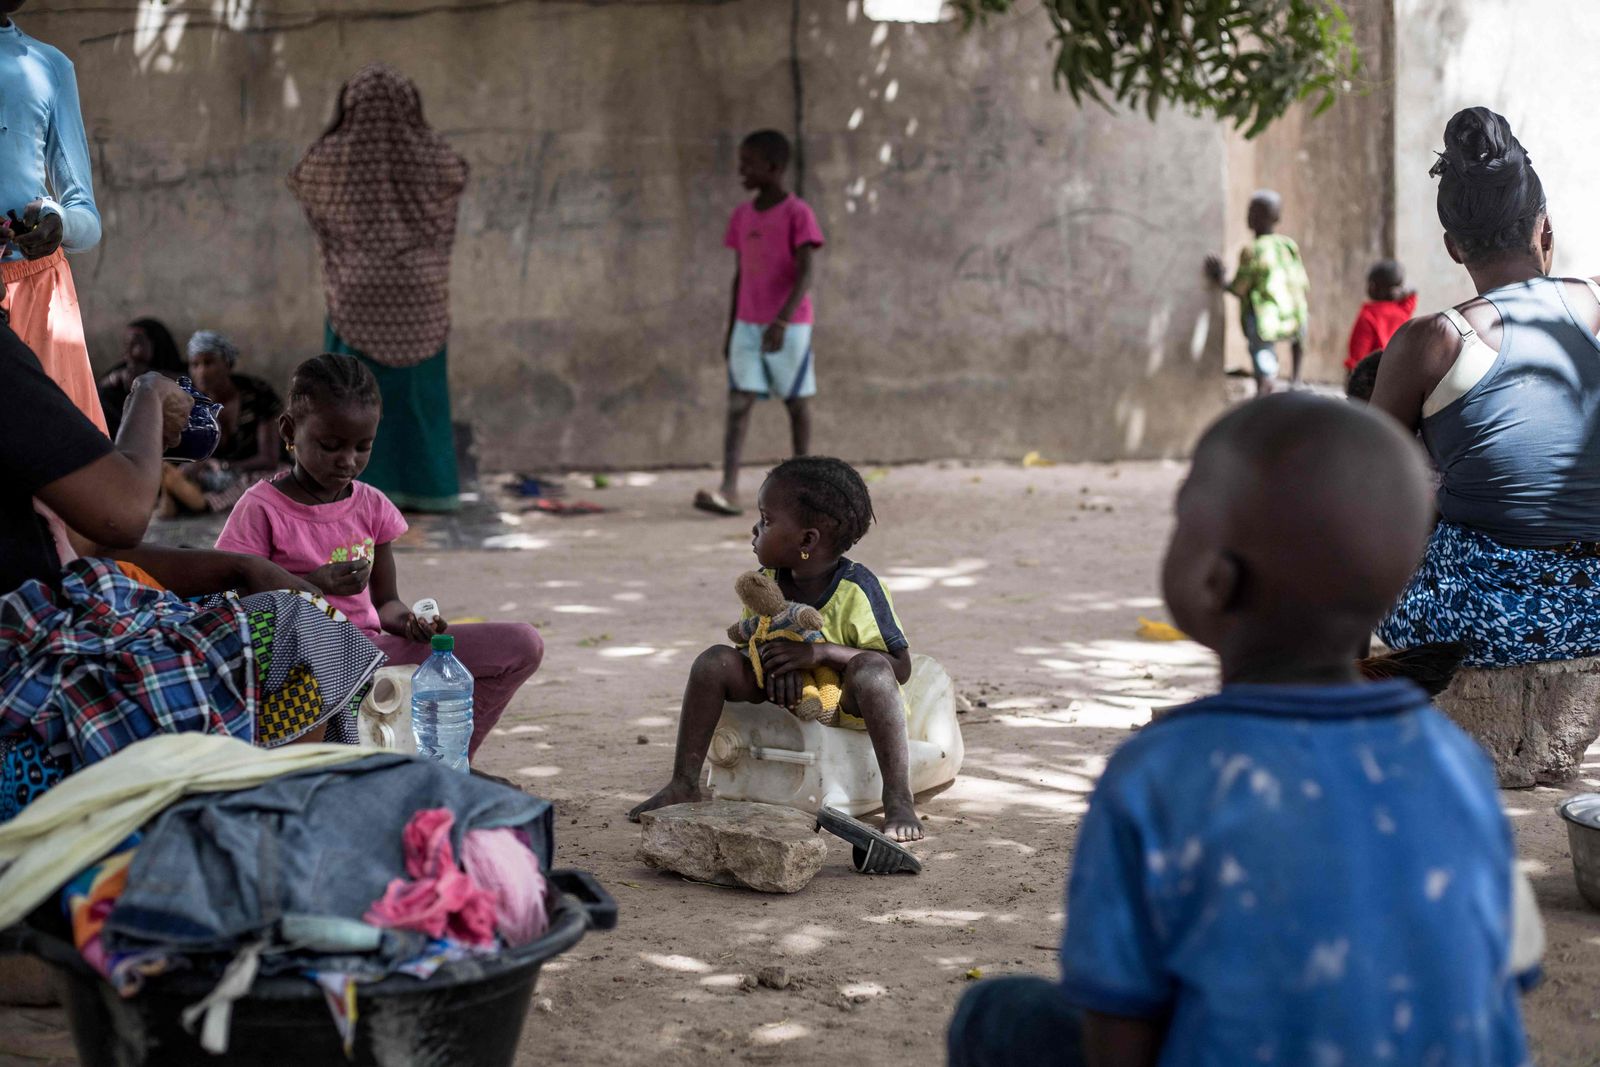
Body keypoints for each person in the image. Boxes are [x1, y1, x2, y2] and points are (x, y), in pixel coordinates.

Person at [947, 394, 1541, 1067]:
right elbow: (1502, 984)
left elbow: (1120, 1036)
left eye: (1180, 517)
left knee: (995, 1015)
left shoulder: (1160, 773)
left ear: (1214, 579)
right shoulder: (1455, 762)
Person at [215, 354, 543, 758]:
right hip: (301, 671)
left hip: (374, 653)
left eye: (362, 446)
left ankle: (450, 763)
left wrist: (411, 623)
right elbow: (233, 606)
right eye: (330, 445)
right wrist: (313, 585)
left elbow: (384, 602)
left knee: (522, 645)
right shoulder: (260, 508)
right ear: (289, 429)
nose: (347, 461)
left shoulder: (372, 506)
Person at [1372, 106, 1600, 667]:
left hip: (1484, 616)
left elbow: (1366, 481)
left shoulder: (1432, 341)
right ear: (1545, 228)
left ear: (1454, 247)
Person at [634, 456, 922, 842]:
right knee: (714, 661)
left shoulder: (859, 589)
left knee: (872, 670)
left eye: (766, 521)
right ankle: (684, 782)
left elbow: (899, 667)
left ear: (807, 540)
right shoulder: (765, 582)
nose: (754, 530)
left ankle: (899, 798)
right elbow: (756, 639)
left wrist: (818, 655)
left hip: (849, 702)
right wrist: (778, 669)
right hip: (785, 692)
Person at [287, 64, 469, 514]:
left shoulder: (333, 156)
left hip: (357, 292)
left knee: (350, 392)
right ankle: (430, 489)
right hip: (419, 293)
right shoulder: (431, 154)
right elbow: (458, 175)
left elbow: (302, 178)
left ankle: (360, 486)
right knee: (418, 396)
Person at [693, 130, 825, 517]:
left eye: (748, 164)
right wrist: (732, 325)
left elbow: (805, 272)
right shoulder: (743, 216)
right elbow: (741, 275)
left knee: (796, 402)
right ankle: (728, 489)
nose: (741, 171)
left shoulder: (798, 213)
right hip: (748, 325)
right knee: (738, 402)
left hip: (789, 324)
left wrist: (782, 320)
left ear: (774, 167)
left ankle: (807, 490)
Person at [0, 1, 104, 433]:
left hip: (37, 294)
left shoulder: (50, 66)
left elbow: (86, 219)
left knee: (60, 472)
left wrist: (56, 222)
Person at [160, 330, 287, 515]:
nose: (201, 371)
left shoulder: (258, 395)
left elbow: (269, 458)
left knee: (270, 481)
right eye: (195, 365)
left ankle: (202, 504)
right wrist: (201, 466)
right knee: (183, 473)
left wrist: (227, 467)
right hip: (214, 474)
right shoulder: (191, 402)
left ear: (227, 363)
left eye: (209, 363)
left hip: (255, 470)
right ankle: (182, 496)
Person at [1204, 190, 1310, 395]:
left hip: (1265, 315)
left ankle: (1265, 383)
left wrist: (1221, 278)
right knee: (1298, 335)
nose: (1248, 216)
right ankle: (1296, 378)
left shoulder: (1252, 250)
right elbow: (1301, 279)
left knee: (1261, 349)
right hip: (1295, 311)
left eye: (1253, 212)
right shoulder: (1287, 245)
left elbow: (1240, 287)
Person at [98, 318, 185, 437]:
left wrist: (148, 375)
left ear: (156, 344)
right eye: (126, 345)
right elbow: (99, 387)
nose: (128, 351)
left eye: (135, 344)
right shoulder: (122, 370)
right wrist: (114, 378)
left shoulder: (176, 369)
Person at [1345, 259, 1417, 372]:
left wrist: (1351, 372)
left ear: (1373, 287)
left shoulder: (1368, 315)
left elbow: (1358, 355)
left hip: (1374, 376)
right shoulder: (1403, 310)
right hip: (1398, 373)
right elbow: (1413, 293)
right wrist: (1401, 292)